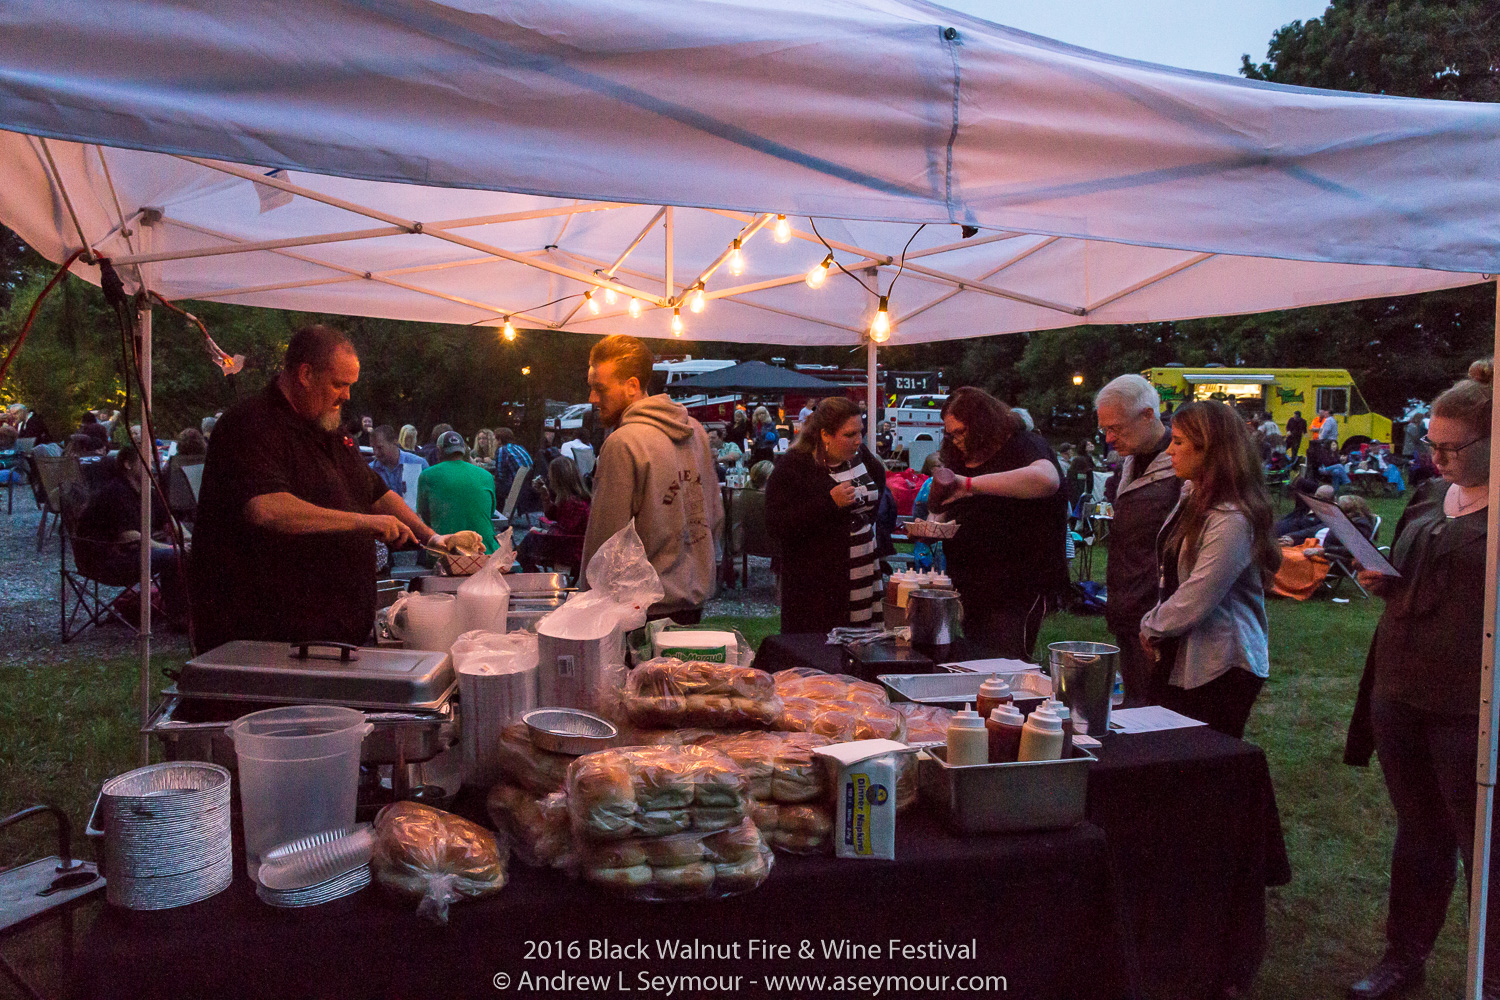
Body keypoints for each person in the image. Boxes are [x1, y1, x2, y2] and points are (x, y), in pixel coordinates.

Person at [1343, 359, 1498, 1000]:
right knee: (1419, 828)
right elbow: (1417, 578)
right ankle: (1405, 957)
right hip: (1401, 688)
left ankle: (1490, 974)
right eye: (1431, 443)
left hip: (1468, 699)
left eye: (1452, 447)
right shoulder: (1432, 495)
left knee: (1482, 843)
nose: (1437, 458)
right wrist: (1382, 581)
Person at [189, 325, 446, 651]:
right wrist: (364, 522)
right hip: (267, 639)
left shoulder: (328, 427)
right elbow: (267, 509)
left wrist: (433, 538)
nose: (347, 395)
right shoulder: (250, 424)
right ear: (306, 374)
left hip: (332, 636)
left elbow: (376, 493)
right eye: (339, 384)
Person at [1138, 400, 1279, 738]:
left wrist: (1152, 625)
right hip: (1183, 653)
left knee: (1202, 758)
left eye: (1179, 441)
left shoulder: (1231, 518)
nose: (1169, 450)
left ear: (1211, 449)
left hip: (1221, 663)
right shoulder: (1194, 495)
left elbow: (1200, 592)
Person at [581, 335, 722, 622]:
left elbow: (606, 542)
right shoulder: (696, 431)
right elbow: (715, 516)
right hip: (693, 604)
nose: (592, 398)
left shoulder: (623, 443)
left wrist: (586, 602)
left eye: (600, 388)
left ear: (632, 386)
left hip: (638, 612)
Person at [931, 386, 1068, 660]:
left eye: (960, 432)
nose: (955, 440)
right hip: (969, 584)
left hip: (1015, 588)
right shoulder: (961, 456)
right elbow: (946, 506)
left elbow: (1047, 480)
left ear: (982, 424)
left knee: (1002, 664)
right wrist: (934, 524)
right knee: (972, 660)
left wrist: (970, 485)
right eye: (950, 434)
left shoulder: (1023, 445)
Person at [766, 397, 889, 634]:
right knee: (823, 647)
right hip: (817, 583)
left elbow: (877, 479)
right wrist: (829, 503)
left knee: (860, 638)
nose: (858, 440)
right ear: (825, 435)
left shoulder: (860, 455)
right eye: (849, 434)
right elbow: (776, 525)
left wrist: (862, 521)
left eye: (860, 432)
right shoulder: (795, 466)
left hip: (862, 569)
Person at [1095, 374, 1182, 707]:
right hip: (1128, 606)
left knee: (1155, 709)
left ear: (1147, 415)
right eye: (1104, 430)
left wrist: (1160, 617)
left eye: (1116, 428)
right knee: (1135, 701)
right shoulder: (1133, 459)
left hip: (1158, 614)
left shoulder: (1180, 466)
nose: (1109, 439)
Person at [80, 442, 186, 624]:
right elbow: (129, 537)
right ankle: (178, 617)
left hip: (131, 551)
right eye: (145, 461)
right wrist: (171, 548)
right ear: (128, 464)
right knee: (173, 556)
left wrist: (190, 540)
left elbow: (170, 521)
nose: (151, 466)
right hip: (106, 559)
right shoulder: (116, 492)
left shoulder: (147, 491)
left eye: (152, 461)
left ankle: (190, 609)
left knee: (190, 553)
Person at [417, 430, 498, 555]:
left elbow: (425, 516)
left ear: (438, 450)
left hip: (445, 553)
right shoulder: (486, 475)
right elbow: (491, 512)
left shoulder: (427, 475)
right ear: (463, 450)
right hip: (485, 552)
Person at [518, 456, 592, 573]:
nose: (549, 478)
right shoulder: (573, 499)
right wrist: (545, 496)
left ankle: (533, 576)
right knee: (527, 544)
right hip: (569, 547)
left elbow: (564, 535)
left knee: (527, 546)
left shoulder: (574, 503)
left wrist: (542, 532)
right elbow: (553, 516)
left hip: (571, 551)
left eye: (551, 475)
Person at [368, 424, 428, 494]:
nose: (376, 452)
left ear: (394, 442)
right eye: (373, 448)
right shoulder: (371, 470)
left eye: (380, 447)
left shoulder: (418, 464)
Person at [493, 427, 535, 516]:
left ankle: (497, 515)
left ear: (499, 440)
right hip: (527, 486)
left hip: (516, 488)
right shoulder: (519, 447)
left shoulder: (502, 450)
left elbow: (501, 475)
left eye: (494, 439)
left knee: (494, 486)